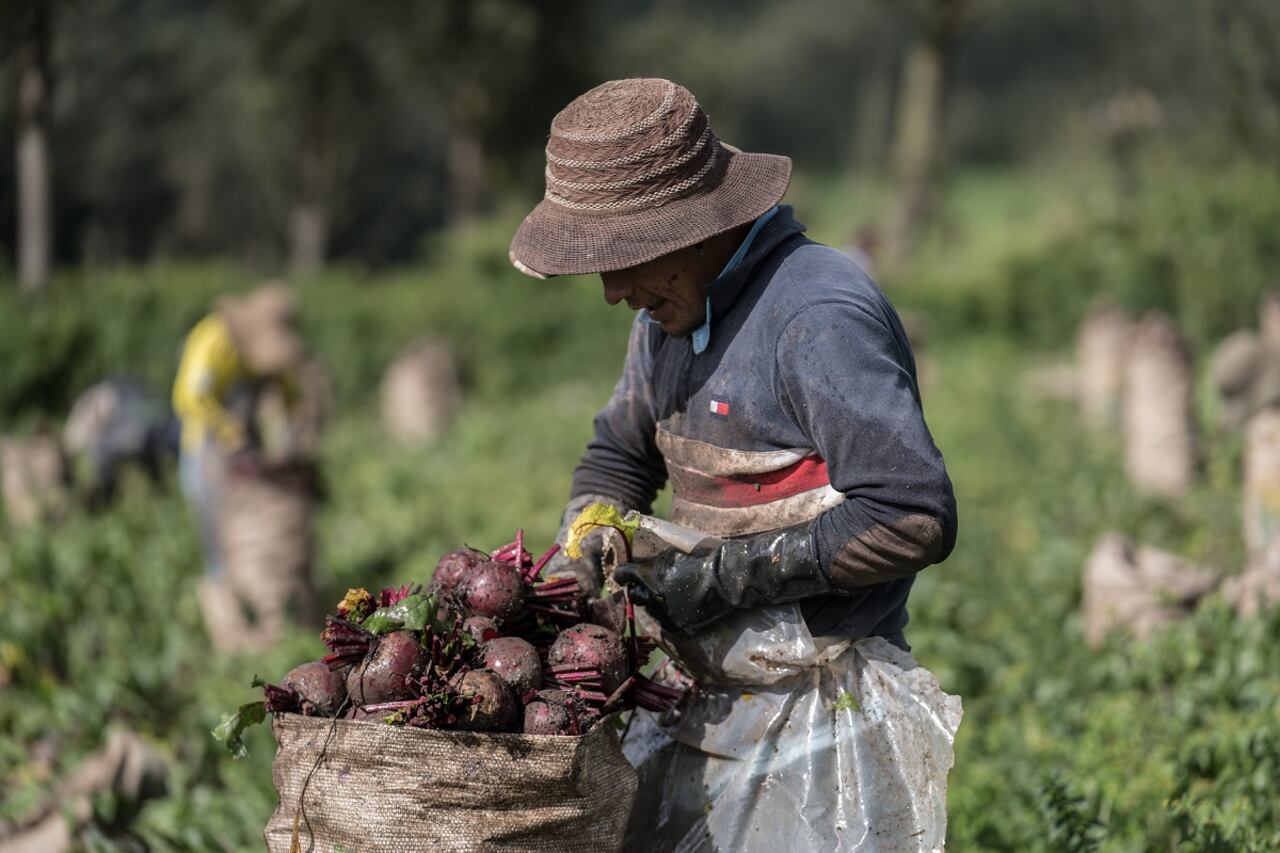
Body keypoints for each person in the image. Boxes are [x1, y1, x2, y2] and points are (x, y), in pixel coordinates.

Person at [509, 79, 959, 850]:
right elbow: (620, 451)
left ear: (695, 225)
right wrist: (584, 547)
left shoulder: (814, 316)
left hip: (820, 718)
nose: (615, 292)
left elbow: (911, 514)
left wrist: (724, 576)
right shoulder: (669, 312)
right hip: (702, 699)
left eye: (628, 261)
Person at [172, 284, 305, 649]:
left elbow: (291, 393)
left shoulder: (262, 355)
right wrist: (230, 433)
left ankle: (269, 622)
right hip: (207, 450)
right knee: (217, 539)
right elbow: (189, 397)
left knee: (254, 534)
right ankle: (228, 634)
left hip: (244, 455)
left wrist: (292, 433)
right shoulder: (215, 338)